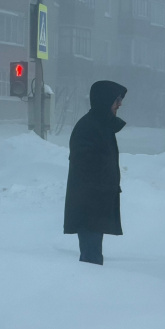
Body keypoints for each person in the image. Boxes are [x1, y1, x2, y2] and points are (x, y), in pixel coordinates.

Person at [63, 81, 127, 265]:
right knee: (91, 261)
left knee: (93, 259)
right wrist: (105, 188)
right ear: (104, 101)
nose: (120, 104)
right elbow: (85, 168)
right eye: (116, 100)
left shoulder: (101, 126)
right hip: (89, 208)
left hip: (95, 206)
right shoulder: (88, 128)